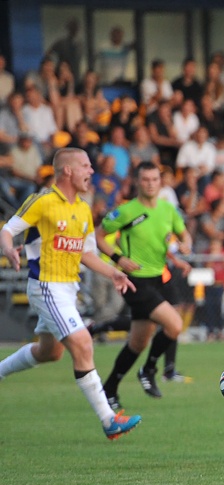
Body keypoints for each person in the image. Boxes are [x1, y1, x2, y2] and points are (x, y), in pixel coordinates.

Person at [0, 148, 141, 440]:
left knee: (50, 352)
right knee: (83, 344)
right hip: (46, 286)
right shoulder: (43, 201)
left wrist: (112, 272)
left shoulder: (83, 208)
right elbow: (8, 229)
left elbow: (86, 253)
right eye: (86, 166)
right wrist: (8, 249)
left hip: (68, 288)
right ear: (67, 170)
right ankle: (108, 420)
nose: (91, 171)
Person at [95, 162, 192, 410]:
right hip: (134, 280)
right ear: (138, 182)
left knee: (138, 342)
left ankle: (109, 390)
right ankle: (149, 370)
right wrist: (118, 258)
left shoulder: (168, 210)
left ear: (161, 182)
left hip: (158, 279)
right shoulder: (126, 211)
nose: (150, 184)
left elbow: (184, 235)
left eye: (154, 179)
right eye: (145, 179)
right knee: (174, 324)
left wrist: (185, 246)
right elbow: (98, 236)